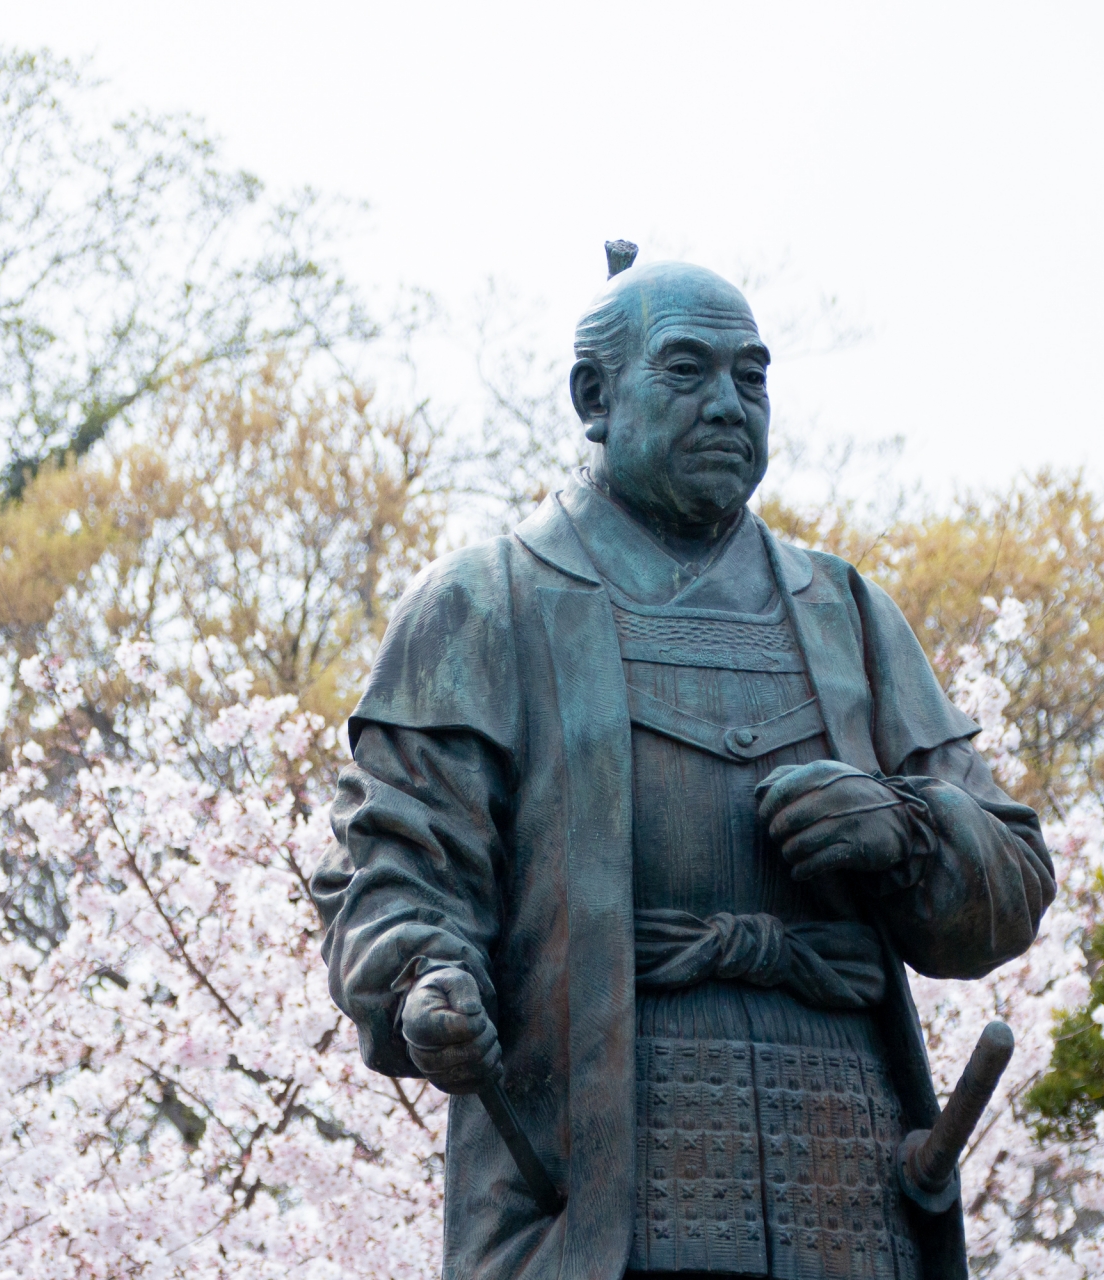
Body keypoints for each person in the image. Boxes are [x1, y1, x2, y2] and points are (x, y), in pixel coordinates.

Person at [315, 258, 1054, 1280]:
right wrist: (422, 975)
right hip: (590, 1198)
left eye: (751, 378)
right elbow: (396, 866)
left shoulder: (844, 615)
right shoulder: (486, 604)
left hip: (850, 1195)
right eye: (688, 371)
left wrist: (907, 826)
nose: (727, 405)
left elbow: (1013, 876)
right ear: (595, 397)